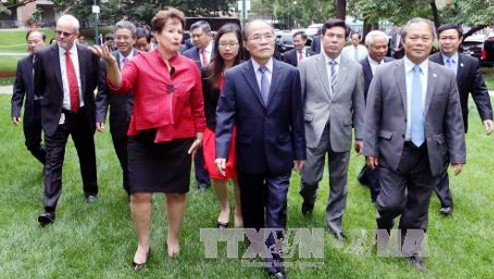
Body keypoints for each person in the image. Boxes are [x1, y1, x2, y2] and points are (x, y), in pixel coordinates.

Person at [91, 7, 205, 269]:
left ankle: (172, 238)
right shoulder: (139, 61)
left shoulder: (190, 67)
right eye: (171, 31)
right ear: (156, 34)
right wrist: (110, 63)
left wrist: (199, 133)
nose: (177, 36)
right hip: (143, 139)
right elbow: (120, 84)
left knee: (176, 193)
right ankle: (143, 244)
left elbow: (197, 105)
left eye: (180, 31)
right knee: (139, 194)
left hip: (179, 139)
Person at [363, 18, 466, 272]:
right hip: (393, 151)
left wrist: (457, 154)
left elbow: (454, 116)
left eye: (424, 38)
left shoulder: (444, 76)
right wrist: (370, 148)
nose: (419, 42)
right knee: (391, 203)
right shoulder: (386, 72)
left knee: (418, 206)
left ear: (432, 42)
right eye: (413, 37)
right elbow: (372, 112)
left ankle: (411, 250)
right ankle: (383, 227)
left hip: (430, 153)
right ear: (403, 40)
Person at [215, 20, 305, 279]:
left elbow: (296, 117)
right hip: (248, 152)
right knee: (252, 204)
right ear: (246, 44)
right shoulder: (234, 76)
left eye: (268, 36)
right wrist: (221, 152)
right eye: (257, 37)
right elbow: (224, 115)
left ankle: (275, 259)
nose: (264, 41)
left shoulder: (290, 73)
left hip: (280, 152)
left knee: (277, 206)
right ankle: (254, 240)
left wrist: (299, 151)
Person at [34, 14, 105, 226]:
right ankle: (49, 208)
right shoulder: (45, 55)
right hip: (57, 116)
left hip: (82, 114)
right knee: (53, 161)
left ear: (76, 35)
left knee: (87, 154)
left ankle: (91, 190)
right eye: (58, 32)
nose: (61, 37)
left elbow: (96, 85)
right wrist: (48, 108)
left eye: (66, 33)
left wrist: (97, 112)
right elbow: (38, 89)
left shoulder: (89, 55)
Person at [298, 19, 365, 241]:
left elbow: (359, 104)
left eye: (339, 36)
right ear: (322, 37)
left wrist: (361, 135)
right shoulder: (307, 65)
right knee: (308, 179)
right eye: (330, 35)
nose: (334, 40)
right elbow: (297, 101)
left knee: (339, 182)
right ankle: (309, 199)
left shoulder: (355, 68)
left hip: (341, 131)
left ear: (345, 40)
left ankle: (334, 222)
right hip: (312, 130)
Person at [429, 23, 493, 216]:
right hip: (433, 121)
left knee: (444, 157)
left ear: (460, 40)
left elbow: (480, 91)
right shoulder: (429, 61)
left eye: (451, 38)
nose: (447, 42)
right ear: (438, 40)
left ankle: (367, 175)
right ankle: (446, 201)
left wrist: (487, 117)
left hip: (458, 121)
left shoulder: (470, 63)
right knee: (438, 159)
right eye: (443, 38)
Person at [201, 24, 244, 229]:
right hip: (214, 129)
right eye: (223, 43)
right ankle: (224, 207)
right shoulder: (208, 72)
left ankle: (239, 211)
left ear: (240, 44)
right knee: (216, 173)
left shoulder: (248, 69)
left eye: (232, 43)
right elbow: (204, 104)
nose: (227, 48)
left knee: (238, 174)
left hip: (242, 130)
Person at [95, 20, 140, 195]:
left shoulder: (143, 59)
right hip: (118, 119)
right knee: (124, 158)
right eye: (118, 37)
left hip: (140, 118)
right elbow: (103, 92)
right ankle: (131, 188)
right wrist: (100, 116)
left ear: (134, 39)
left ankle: (138, 191)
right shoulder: (105, 61)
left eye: (125, 37)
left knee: (139, 158)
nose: (121, 41)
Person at [356, 30, 394, 203]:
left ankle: (364, 176)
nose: (381, 50)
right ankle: (377, 195)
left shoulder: (395, 65)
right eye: (377, 47)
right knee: (372, 153)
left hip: (391, 120)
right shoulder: (357, 68)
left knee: (387, 154)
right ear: (367, 46)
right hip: (368, 120)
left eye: (385, 46)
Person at [183, 20, 213, 191]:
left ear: (209, 35)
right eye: (192, 36)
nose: (194, 39)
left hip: (219, 103)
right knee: (199, 140)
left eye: (198, 35)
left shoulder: (222, 51)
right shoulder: (187, 55)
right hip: (197, 105)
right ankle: (202, 180)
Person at [11, 30, 47, 166]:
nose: (33, 45)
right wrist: (15, 110)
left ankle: (53, 170)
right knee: (31, 143)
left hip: (49, 107)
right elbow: (18, 90)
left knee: (52, 141)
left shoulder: (53, 60)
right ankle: (48, 162)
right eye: (30, 42)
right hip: (32, 108)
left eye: (36, 42)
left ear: (44, 41)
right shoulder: (23, 63)